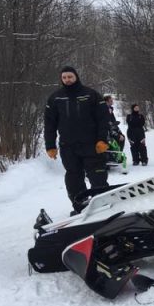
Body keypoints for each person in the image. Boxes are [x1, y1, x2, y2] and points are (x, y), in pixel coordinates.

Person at [44, 65, 109, 214]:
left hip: (92, 145)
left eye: (70, 77)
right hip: (68, 147)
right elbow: (49, 124)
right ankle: (81, 208)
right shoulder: (55, 98)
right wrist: (50, 145)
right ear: (61, 79)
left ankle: (102, 206)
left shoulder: (91, 94)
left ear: (76, 77)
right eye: (64, 77)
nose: (67, 80)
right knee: (73, 179)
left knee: (98, 176)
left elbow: (103, 119)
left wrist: (102, 140)